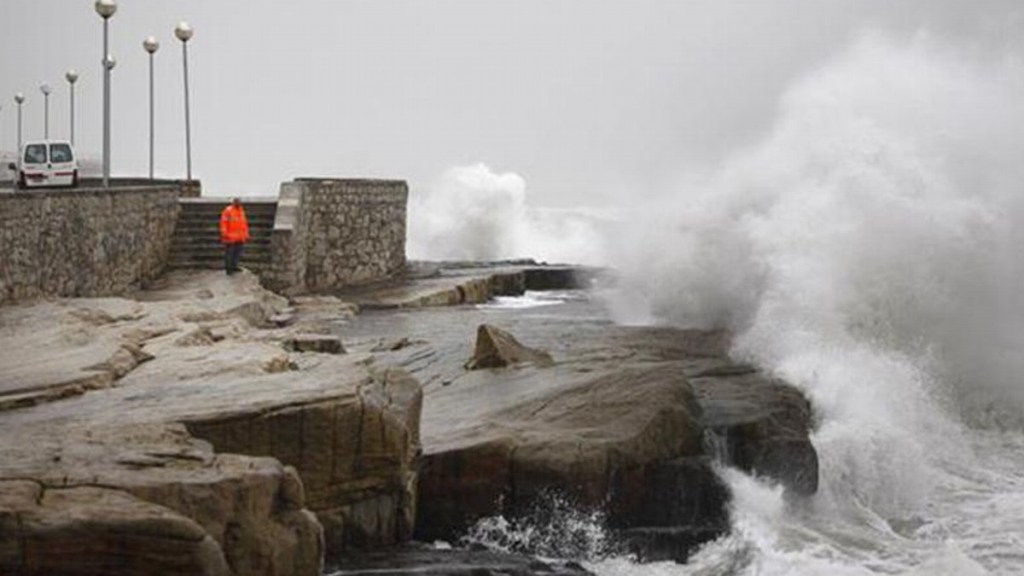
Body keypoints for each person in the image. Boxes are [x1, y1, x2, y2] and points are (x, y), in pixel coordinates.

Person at [220, 197, 250, 275]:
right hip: (230, 237)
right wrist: (225, 234)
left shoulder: (241, 211)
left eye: (239, 202)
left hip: (240, 237)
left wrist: (246, 234)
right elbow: (223, 223)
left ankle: (234, 266)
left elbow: (244, 224)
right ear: (233, 202)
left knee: (237, 253)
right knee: (230, 254)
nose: (239, 203)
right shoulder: (228, 211)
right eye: (237, 202)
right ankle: (229, 269)